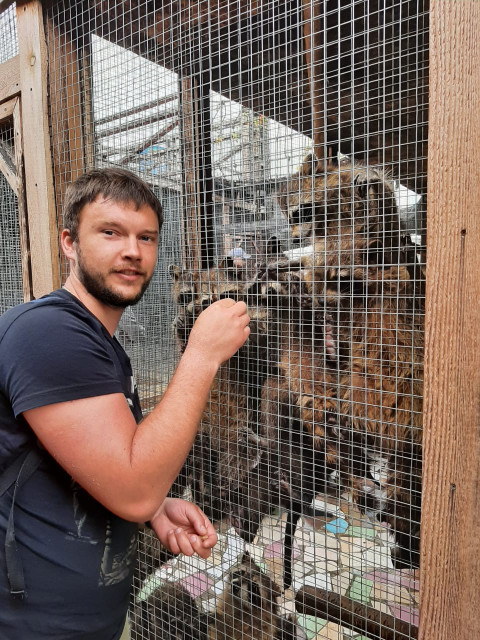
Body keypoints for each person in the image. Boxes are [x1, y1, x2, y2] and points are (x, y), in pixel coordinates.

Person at [0, 168, 250, 639]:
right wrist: (202, 355)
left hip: (92, 621)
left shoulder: (101, 344)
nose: (133, 251)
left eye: (147, 237)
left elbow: (99, 462)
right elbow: (133, 488)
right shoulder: (48, 333)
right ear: (69, 242)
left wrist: (156, 508)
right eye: (110, 232)